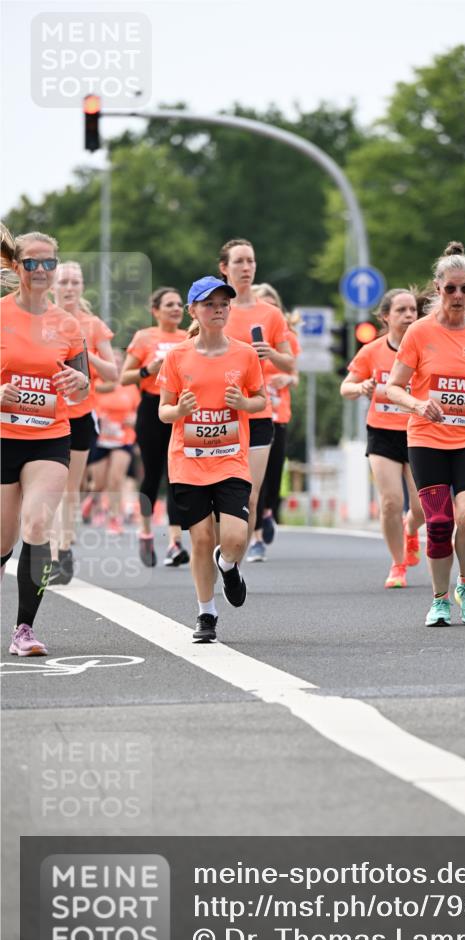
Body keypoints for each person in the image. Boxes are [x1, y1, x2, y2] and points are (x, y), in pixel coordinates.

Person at [386, 242, 465, 626]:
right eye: (450, 288)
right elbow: (393, 387)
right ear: (437, 288)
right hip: (427, 439)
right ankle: (439, 598)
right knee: (438, 523)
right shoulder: (419, 333)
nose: (457, 295)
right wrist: (417, 404)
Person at [157, 276, 265, 642]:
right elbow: (163, 412)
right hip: (187, 461)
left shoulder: (245, 354)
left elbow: (260, 400)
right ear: (194, 311)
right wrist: (179, 409)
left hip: (230, 458)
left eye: (223, 304)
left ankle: (228, 564)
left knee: (234, 537)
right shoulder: (177, 356)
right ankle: (206, 613)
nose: (217, 310)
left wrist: (243, 404)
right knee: (201, 538)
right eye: (209, 304)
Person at [1, 227, 89, 655]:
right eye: (32, 262)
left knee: (37, 524)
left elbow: (84, 384)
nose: (41, 270)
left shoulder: (68, 324)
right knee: (2, 541)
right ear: (17, 266)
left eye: (49, 263)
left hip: (50, 437)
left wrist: (79, 380)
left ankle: (23, 631)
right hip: (2, 435)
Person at [341, 288, 424, 588]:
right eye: (401, 310)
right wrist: (361, 387)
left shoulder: (425, 348)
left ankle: (411, 528)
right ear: (386, 316)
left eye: (413, 310)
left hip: (418, 431)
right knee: (390, 502)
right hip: (382, 432)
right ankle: (397, 563)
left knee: (422, 507)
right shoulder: (372, 351)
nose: (408, 316)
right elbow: (345, 387)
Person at [217, 240, 295, 559]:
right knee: (218, 494)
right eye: (239, 262)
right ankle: (221, 549)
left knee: (249, 495)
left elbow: (290, 362)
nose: (246, 268)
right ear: (225, 268)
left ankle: (233, 563)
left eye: (251, 261)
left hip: (259, 413)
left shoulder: (271, 314)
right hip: (220, 414)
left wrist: (272, 354)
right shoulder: (216, 308)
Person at [49, 261, 118, 584]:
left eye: (75, 282)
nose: (69, 288)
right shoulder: (42, 321)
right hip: (45, 414)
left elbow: (113, 374)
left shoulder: (92, 325)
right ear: (53, 285)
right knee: (48, 486)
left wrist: (86, 353)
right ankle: (51, 551)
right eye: (63, 281)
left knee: (70, 487)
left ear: (81, 287)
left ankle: (63, 550)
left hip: (79, 415)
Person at [121, 287, 189, 568]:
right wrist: (151, 368)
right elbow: (125, 377)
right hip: (151, 407)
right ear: (156, 310)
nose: (175, 309)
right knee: (152, 473)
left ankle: (175, 543)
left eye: (179, 304)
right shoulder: (145, 337)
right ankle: (146, 531)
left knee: (177, 475)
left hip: (179, 410)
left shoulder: (189, 338)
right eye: (169, 304)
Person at [249, 282, 300, 556]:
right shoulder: (246, 332)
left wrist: (286, 378)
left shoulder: (286, 338)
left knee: (273, 471)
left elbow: (295, 374)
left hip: (278, 413)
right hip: (254, 411)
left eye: (272, 303)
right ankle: (256, 537)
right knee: (254, 481)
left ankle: (268, 511)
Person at [86, 348, 141, 533]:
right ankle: (92, 500)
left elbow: (140, 412)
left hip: (124, 438)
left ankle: (114, 519)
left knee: (116, 480)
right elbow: (88, 408)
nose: (116, 365)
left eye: (119, 362)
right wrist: (100, 418)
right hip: (101, 439)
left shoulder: (130, 386)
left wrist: (134, 419)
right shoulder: (98, 385)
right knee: (99, 483)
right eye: (113, 362)